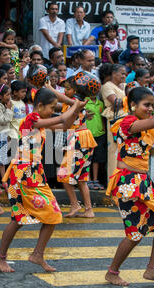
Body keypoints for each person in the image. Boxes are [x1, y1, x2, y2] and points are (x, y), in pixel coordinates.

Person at [0, 88, 86, 273]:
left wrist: (76, 110)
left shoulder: (41, 124)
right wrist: (74, 104)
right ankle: (3, 257)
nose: (53, 111)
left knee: (47, 216)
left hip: (33, 174)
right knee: (21, 218)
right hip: (23, 174)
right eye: (51, 107)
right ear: (40, 106)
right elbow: (60, 119)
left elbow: (65, 125)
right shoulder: (31, 119)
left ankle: (36, 254)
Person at [105, 86, 154, 286]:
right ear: (132, 106)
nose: (150, 108)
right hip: (128, 183)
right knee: (135, 234)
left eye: (150, 105)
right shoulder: (126, 122)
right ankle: (112, 272)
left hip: (143, 183)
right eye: (146, 105)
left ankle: (151, 269)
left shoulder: (145, 124)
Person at [55, 78, 97, 218]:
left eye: (67, 88)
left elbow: (59, 97)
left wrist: (49, 87)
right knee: (81, 178)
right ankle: (88, 209)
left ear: (76, 91)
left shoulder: (76, 102)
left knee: (63, 174)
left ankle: (75, 205)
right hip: (81, 139)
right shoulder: (75, 103)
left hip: (78, 139)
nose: (64, 91)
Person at [101, 64, 128, 181]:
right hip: (115, 121)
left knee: (126, 151)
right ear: (113, 74)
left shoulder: (125, 85)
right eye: (122, 73)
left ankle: (126, 180)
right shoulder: (107, 86)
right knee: (114, 151)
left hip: (127, 121)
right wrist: (131, 99)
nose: (124, 75)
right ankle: (113, 181)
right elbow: (116, 102)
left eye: (125, 73)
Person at [85, 88, 106, 190]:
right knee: (88, 158)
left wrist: (103, 129)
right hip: (88, 133)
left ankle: (95, 180)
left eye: (95, 91)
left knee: (97, 159)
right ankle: (87, 179)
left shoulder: (100, 103)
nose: (93, 92)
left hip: (99, 133)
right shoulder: (84, 102)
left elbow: (102, 117)